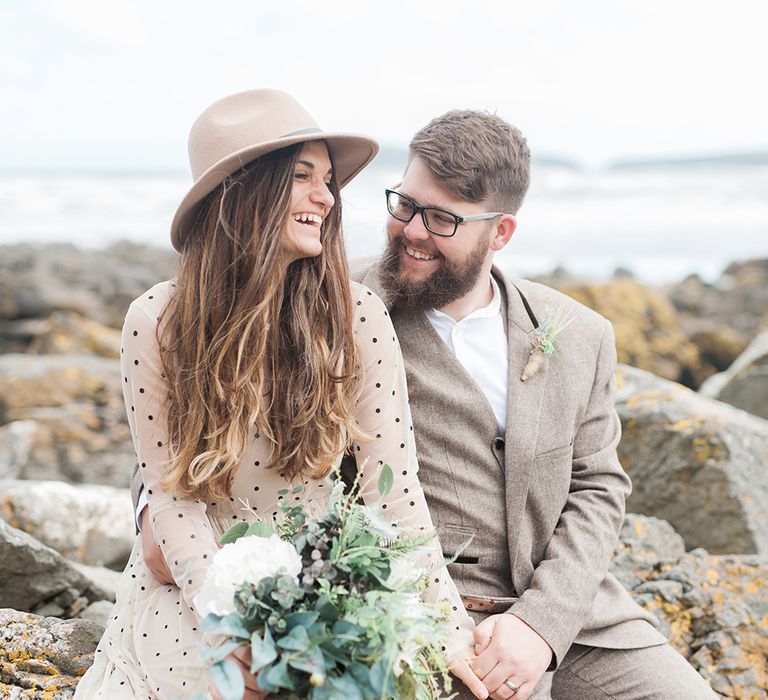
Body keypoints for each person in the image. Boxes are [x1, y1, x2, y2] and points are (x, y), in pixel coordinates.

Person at [78, 89, 487, 700]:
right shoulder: (157, 321)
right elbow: (170, 496)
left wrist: (447, 628)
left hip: (318, 578)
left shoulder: (357, 316)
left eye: (327, 180)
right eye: (302, 178)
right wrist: (226, 618)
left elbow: (394, 492)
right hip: (196, 579)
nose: (326, 197)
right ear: (241, 193)